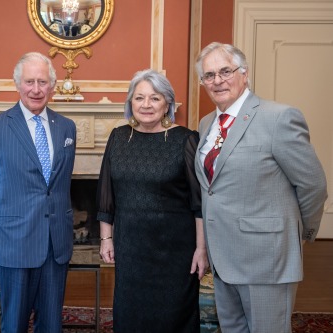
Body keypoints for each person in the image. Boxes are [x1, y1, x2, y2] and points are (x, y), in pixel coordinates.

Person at [194, 42, 328, 332]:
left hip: (267, 257)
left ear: (244, 73)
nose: (218, 80)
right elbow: (212, 188)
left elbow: (313, 184)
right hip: (223, 257)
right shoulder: (207, 124)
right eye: (209, 75)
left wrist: (298, 233)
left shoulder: (278, 117)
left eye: (225, 71)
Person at [97, 69, 208, 332]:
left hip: (174, 252)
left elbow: (199, 202)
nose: (146, 105)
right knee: (131, 315)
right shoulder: (119, 137)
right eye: (139, 98)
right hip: (131, 248)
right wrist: (106, 238)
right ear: (130, 103)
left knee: (173, 316)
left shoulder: (185, 139)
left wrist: (201, 249)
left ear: (167, 103)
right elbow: (105, 192)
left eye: (155, 98)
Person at [0, 52, 76, 333]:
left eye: (42, 82)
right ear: (17, 84)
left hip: (55, 242)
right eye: (29, 81)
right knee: (14, 324)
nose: (36, 89)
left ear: (52, 86)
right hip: (14, 241)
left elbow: (61, 182)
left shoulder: (67, 127)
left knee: (51, 324)